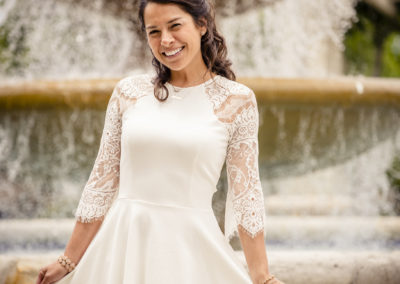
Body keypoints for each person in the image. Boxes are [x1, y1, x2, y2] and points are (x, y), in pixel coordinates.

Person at [36, 0, 284, 283]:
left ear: (202, 25)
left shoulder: (238, 101)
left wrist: (262, 276)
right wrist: (68, 260)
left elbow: (246, 196)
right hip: (122, 244)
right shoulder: (128, 92)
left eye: (175, 26)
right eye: (154, 31)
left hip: (191, 249)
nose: (166, 40)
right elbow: (101, 184)